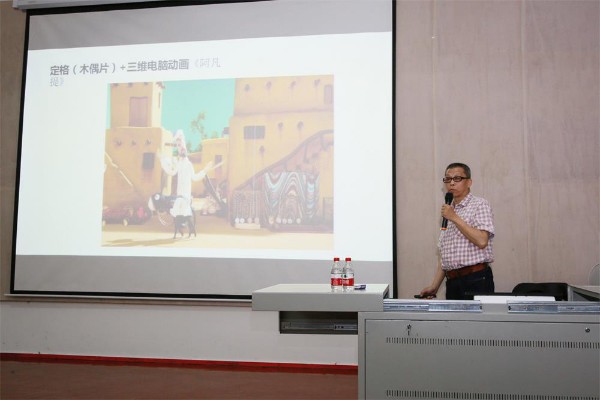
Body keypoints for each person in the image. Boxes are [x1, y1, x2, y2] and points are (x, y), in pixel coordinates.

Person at [420, 162, 495, 300]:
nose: (452, 183)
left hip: (476, 280)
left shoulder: (479, 204)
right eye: (448, 179)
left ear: (469, 182)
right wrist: (434, 286)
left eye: (457, 178)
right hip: (452, 282)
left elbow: (482, 241)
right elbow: (446, 254)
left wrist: (454, 217)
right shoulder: (449, 210)